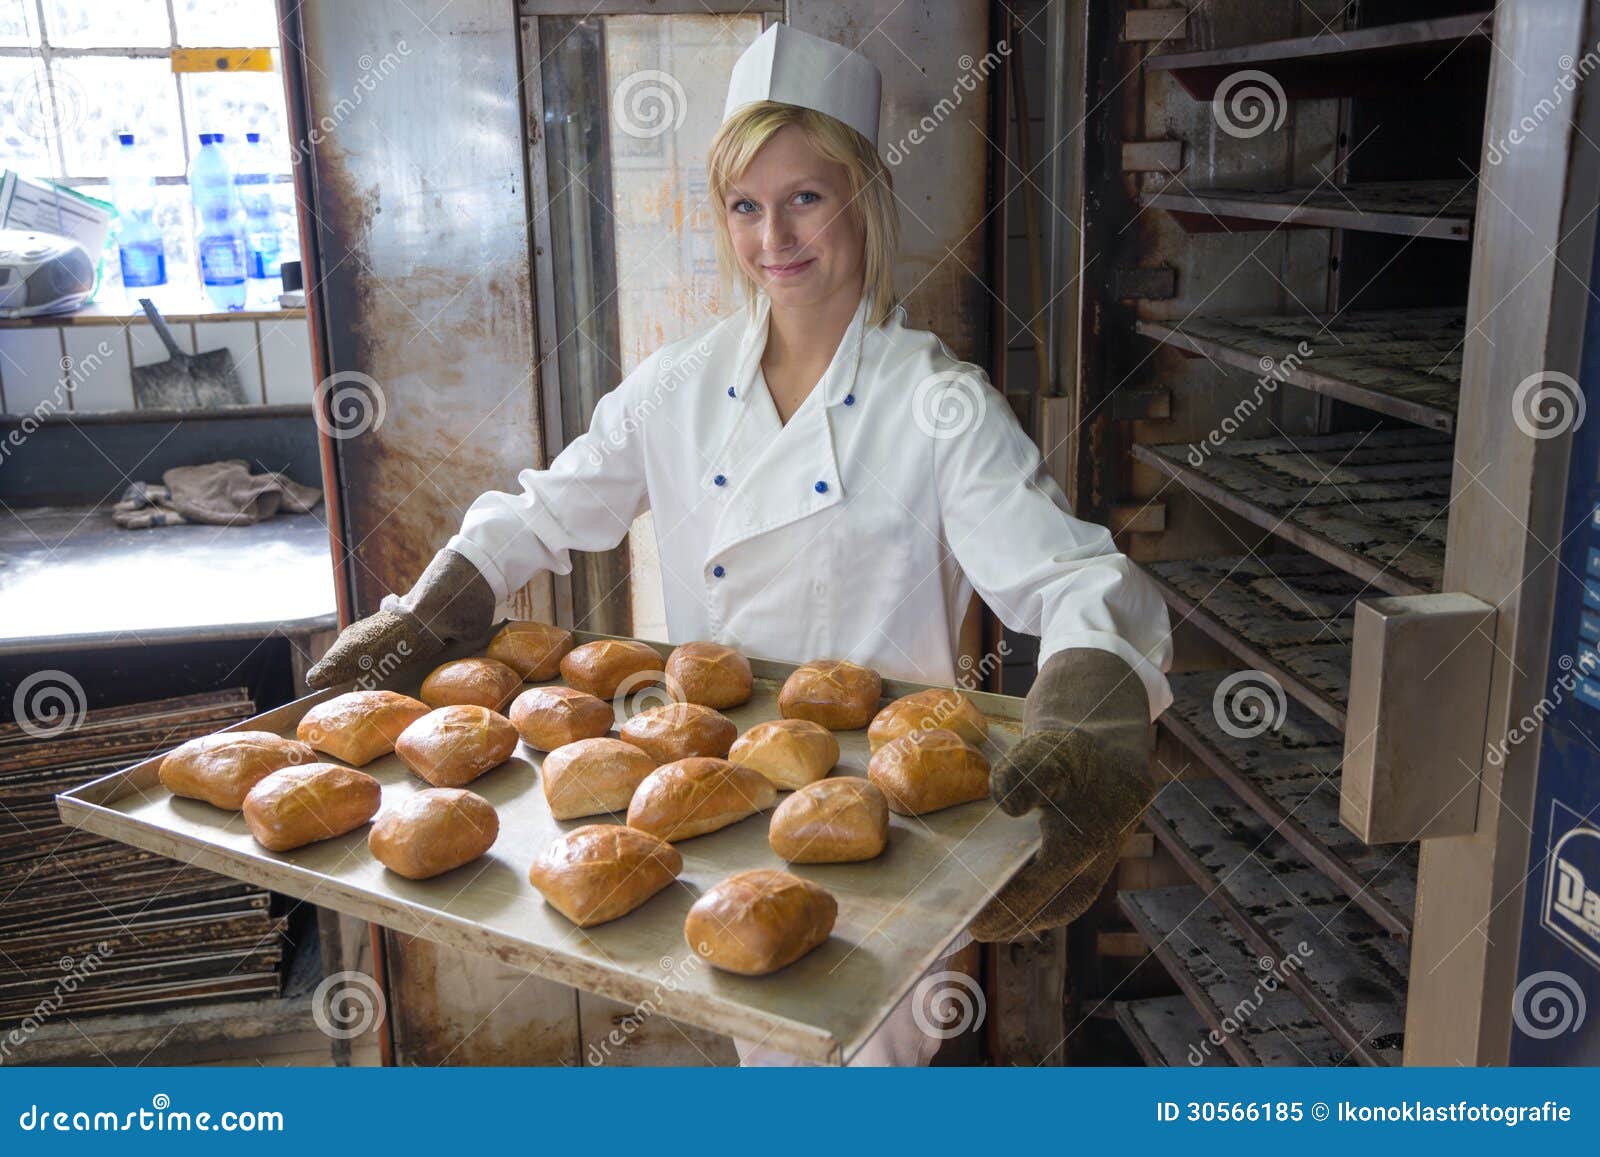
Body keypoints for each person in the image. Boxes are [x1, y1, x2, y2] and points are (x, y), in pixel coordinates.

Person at [308, 23, 1173, 1066]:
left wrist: (1085, 723)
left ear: (861, 195)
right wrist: (434, 609)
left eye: (805, 196)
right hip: (712, 800)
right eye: (745, 205)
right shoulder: (678, 383)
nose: (776, 237)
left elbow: (1070, 576)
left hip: (882, 829)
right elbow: (547, 510)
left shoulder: (935, 401)